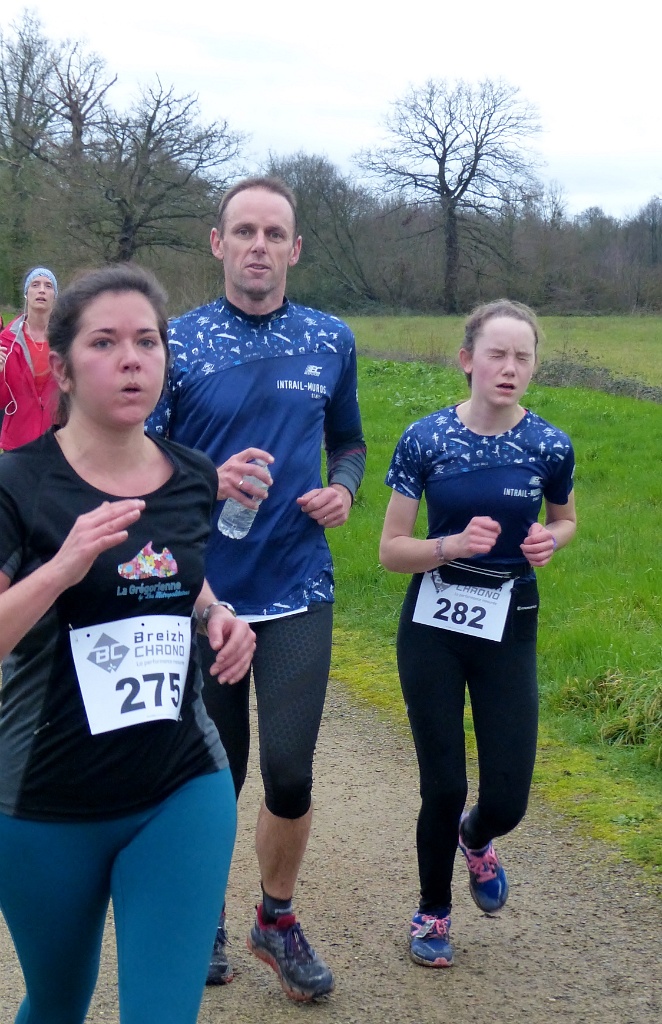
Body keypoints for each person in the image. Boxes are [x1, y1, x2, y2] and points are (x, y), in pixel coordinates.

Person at [0, 264, 256, 1024]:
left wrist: (216, 614)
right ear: (63, 368)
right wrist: (62, 567)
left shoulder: (191, 475)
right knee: (58, 1003)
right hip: (44, 799)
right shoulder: (18, 483)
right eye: (105, 343)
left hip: (180, 784)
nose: (131, 360)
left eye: (147, 342)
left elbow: (174, 575)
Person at [148, 176, 366, 1001]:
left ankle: (275, 918)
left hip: (298, 584)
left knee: (289, 770)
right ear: (218, 242)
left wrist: (343, 490)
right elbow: (141, 466)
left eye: (275, 234)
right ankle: (201, 911)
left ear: (295, 248)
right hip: (204, 594)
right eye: (244, 231)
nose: (259, 247)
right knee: (216, 773)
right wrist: (205, 481)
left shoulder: (331, 339)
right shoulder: (176, 341)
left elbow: (349, 442)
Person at [379, 299, 576, 968]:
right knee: (443, 785)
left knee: (509, 798)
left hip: (510, 622)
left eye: (523, 356)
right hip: (433, 624)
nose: (510, 367)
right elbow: (391, 549)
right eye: (497, 354)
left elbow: (565, 518)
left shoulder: (549, 444)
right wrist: (451, 546)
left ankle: (478, 835)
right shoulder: (425, 438)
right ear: (468, 361)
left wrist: (552, 540)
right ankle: (433, 912)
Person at [0, 267, 59, 452]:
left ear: (55, 296)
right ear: (26, 293)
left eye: (48, 286)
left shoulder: (66, 340)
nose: (42, 290)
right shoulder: (7, 341)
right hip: (17, 443)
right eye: (35, 285)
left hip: (58, 441)